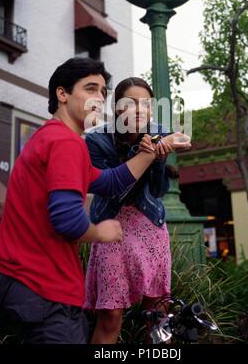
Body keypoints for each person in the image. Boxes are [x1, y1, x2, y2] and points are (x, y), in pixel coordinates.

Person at [0, 58, 188, 344]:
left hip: (25, 281)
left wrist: (154, 153)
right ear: (63, 94)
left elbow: (109, 181)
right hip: (42, 287)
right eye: (90, 88)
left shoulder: (52, 137)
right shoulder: (67, 143)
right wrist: (99, 232)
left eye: (102, 91)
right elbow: (68, 221)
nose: (98, 97)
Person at [84, 77, 191, 344]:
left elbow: (157, 190)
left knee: (157, 315)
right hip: (112, 230)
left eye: (146, 104)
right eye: (131, 103)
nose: (140, 110)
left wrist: (159, 159)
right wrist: (142, 153)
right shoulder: (97, 140)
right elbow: (111, 189)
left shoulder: (159, 132)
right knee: (110, 317)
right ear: (118, 108)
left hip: (150, 228)